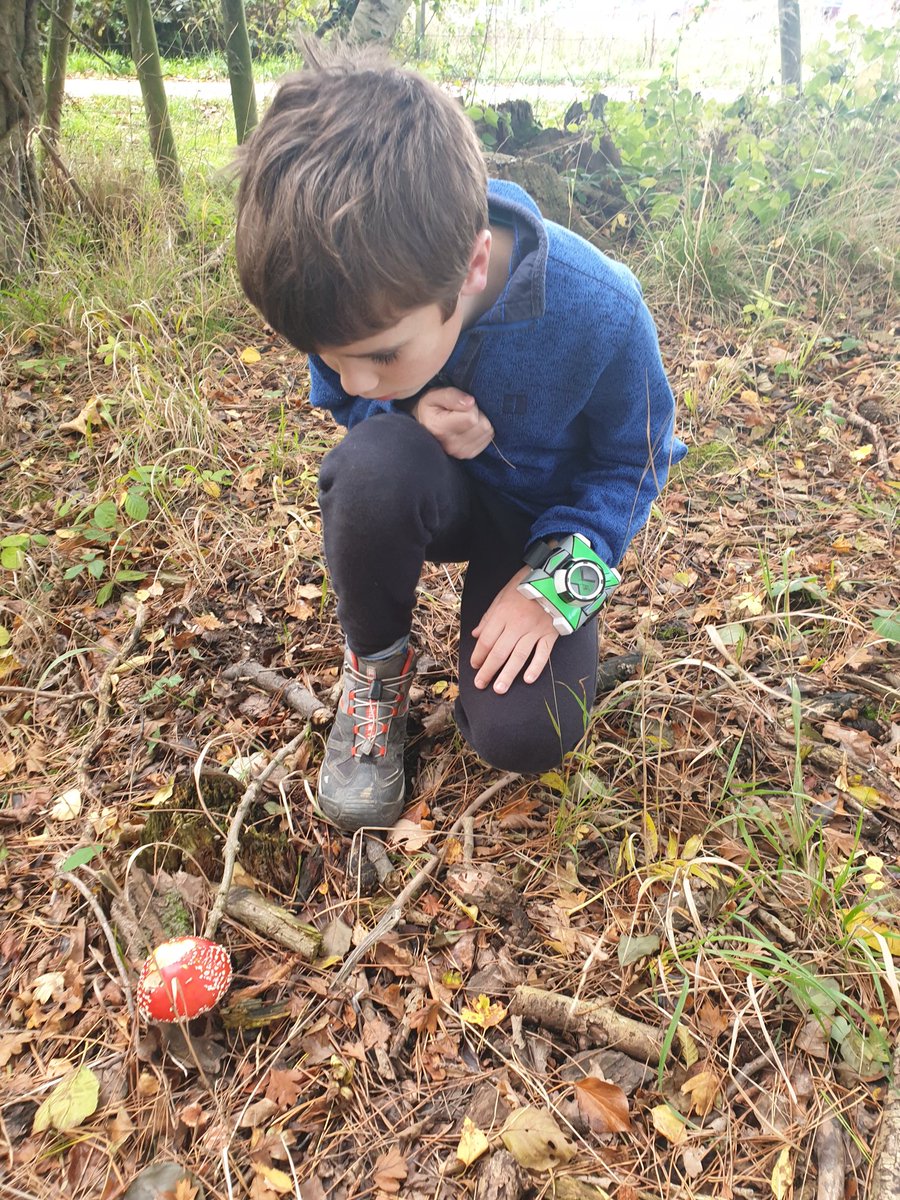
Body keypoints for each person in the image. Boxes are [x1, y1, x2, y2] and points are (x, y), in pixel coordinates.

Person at [234, 39, 686, 833]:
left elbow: (636, 460)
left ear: (473, 266)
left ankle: (530, 610)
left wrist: (557, 587)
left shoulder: (602, 311)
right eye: (333, 360)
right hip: (432, 490)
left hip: (536, 525)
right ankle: (375, 677)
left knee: (524, 731)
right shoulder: (347, 294)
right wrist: (400, 415)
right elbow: (352, 407)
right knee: (372, 465)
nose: (355, 382)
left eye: (380, 356)